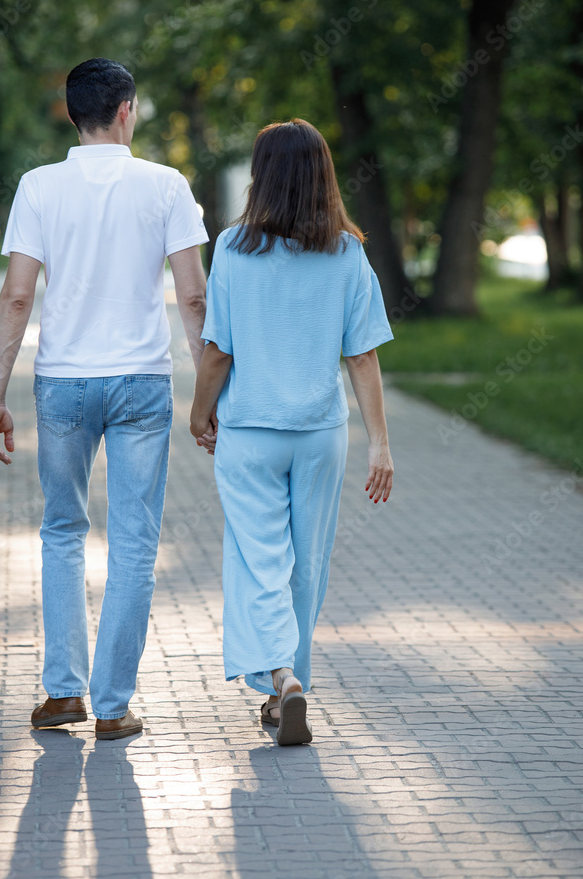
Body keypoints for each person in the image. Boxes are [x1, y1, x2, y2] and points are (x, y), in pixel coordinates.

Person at [0, 57, 210, 740]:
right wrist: (209, 390)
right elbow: (193, 296)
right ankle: (112, 706)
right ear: (126, 110)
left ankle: (62, 694)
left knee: (62, 531)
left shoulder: (38, 187)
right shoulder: (166, 185)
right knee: (136, 542)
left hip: (63, 382)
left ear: (72, 113)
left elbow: (18, 294)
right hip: (142, 379)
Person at [189, 119, 395, 747]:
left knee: (260, 561)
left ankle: (282, 678)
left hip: (250, 431)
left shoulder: (231, 248)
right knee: (307, 565)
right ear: (324, 176)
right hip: (320, 433)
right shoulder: (348, 253)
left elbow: (218, 350)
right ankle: (290, 686)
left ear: (262, 177)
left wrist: (199, 412)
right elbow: (361, 357)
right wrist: (381, 444)